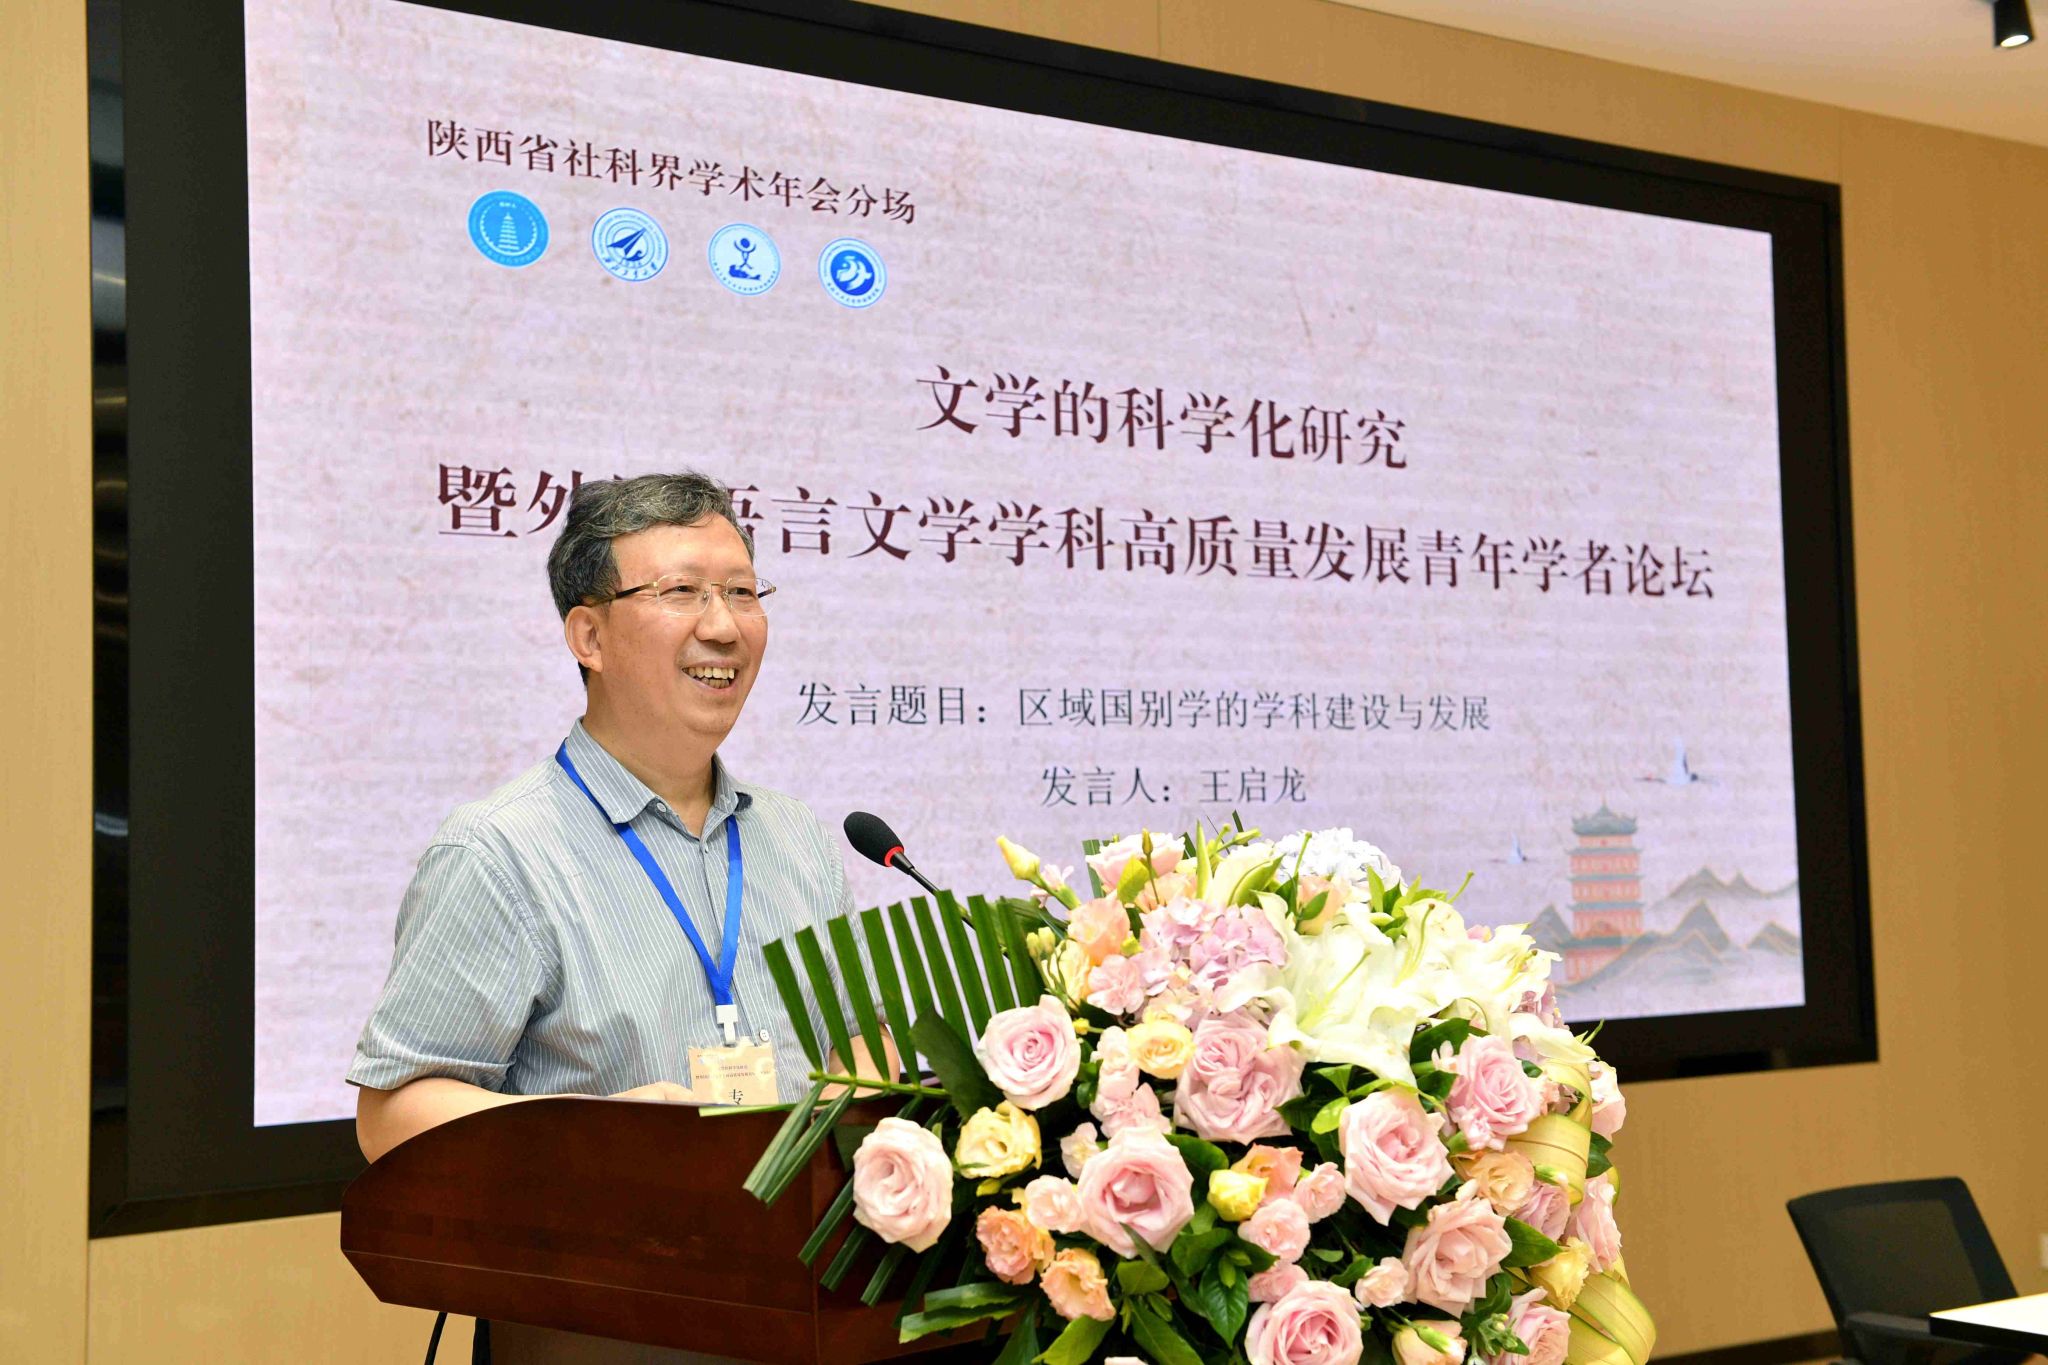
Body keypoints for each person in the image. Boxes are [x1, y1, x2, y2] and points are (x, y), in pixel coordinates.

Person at [348, 472, 884, 1363]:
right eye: (682, 591)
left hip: (807, 1308)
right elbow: (392, 1112)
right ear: (588, 635)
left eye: (742, 591)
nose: (724, 625)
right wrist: (598, 1140)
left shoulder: (798, 838)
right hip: (598, 1322)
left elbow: (856, 1046)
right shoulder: (501, 850)